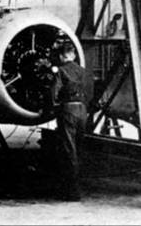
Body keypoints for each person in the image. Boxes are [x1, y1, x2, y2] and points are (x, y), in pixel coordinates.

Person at [50, 42, 91, 201]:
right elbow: (90, 92)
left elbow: (54, 93)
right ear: (73, 56)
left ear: (62, 56)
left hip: (68, 110)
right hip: (82, 110)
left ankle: (72, 192)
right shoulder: (83, 71)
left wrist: (53, 108)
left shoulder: (61, 71)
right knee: (79, 148)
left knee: (68, 150)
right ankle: (80, 186)